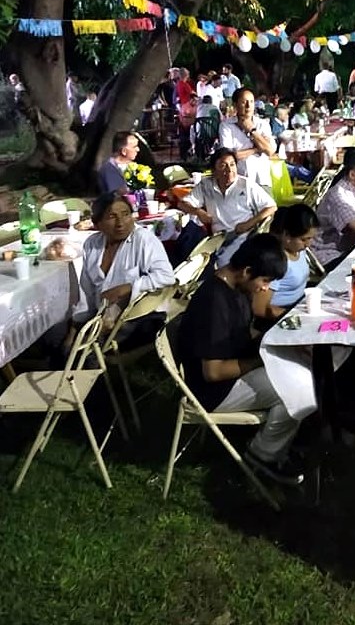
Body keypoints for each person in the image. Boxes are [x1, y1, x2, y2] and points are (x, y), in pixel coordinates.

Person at [178, 234, 305, 485]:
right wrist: (261, 361)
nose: (266, 288)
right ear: (247, 271)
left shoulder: (236, 287)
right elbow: (212, 372)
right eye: (265, 280)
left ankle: (274, 443)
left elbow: (243, 334)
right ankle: (263, 454)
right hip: (212, 391)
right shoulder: (214, 301)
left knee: (301, 368)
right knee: (300, 390)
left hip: (235, 368)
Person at [75, 192, 175, 344]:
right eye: (112, 217)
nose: (121, 223)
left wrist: (127, 288)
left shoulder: (143, 239)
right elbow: (86, 290)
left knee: (85, 349)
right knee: (58, 337)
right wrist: (77, 325)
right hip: (100, 318)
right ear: (98, 223)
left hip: (136, 318)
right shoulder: (92, 244)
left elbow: (166, 276)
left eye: (125, 214)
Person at [179, 148, 277, 267]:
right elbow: (182, 204)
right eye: (223, 166)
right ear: (214, 170)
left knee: (223, 265)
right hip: (217, 239)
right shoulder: (206, 185)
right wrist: (198, 211)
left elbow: (271, 207)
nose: (229, 170)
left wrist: (248, 224)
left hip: (242, 237)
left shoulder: (246, 185)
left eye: (232, 165)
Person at [253, 204, 319, 321]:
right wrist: (295, 316)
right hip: (279, 316)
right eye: (303, 239)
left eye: (311, 238)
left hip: (299, 305)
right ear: (286, 235)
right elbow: (260, 308)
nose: (308, 244)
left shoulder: (298, 249)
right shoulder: (274, 261)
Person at [219, 88, 276, 190]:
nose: (248, 106)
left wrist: (251, 130)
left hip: (261, 179)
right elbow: (230, 156)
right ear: (236, 105)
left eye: (251, 102)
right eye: (244, 102)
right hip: (239, 181)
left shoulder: (262, 124)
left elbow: (270, 150)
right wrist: (256, 149)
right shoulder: (227, 125)